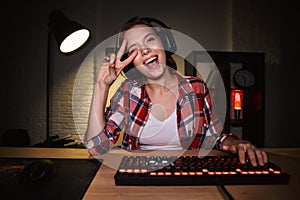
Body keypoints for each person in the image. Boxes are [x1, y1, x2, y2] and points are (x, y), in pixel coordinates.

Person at [84, 16, 268, 166]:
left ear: (165, 43)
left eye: (149, 40)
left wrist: (237, 144)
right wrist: (102, 86)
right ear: (131, 62)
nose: (145, 50)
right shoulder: (127, 93)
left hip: (188, 173)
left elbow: (214, 137)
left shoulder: (196, 87)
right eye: (134, 49)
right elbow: (96, 149)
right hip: (140, 174)